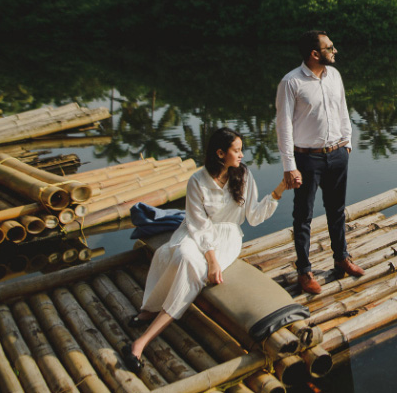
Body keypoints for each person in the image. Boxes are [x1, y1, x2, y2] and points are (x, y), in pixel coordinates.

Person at [121, 127, 284, 372]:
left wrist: (280, 189)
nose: (241, 155)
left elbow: (254, 216)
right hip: (196, 232)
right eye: (236, 150)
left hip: (227, 239)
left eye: (241, 150)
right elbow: (198, 224)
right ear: (220, 153)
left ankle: (141, 342)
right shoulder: (197, 180)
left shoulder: (244, 175)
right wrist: (212, 260)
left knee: (191, 270)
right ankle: (149, 311)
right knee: (184, 256)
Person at [275, 30, 364, 296]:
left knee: (337, 210)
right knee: (303, 216)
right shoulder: (291, 83)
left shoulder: (334, 76)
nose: (335, 50)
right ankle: (304, 271)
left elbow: (343, 110)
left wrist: (347, 143)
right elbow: (283, 127)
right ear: (315, 54)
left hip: (337, 153)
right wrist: (289, 166)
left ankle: (341, 257)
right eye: (330, 47)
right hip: (306, 158)